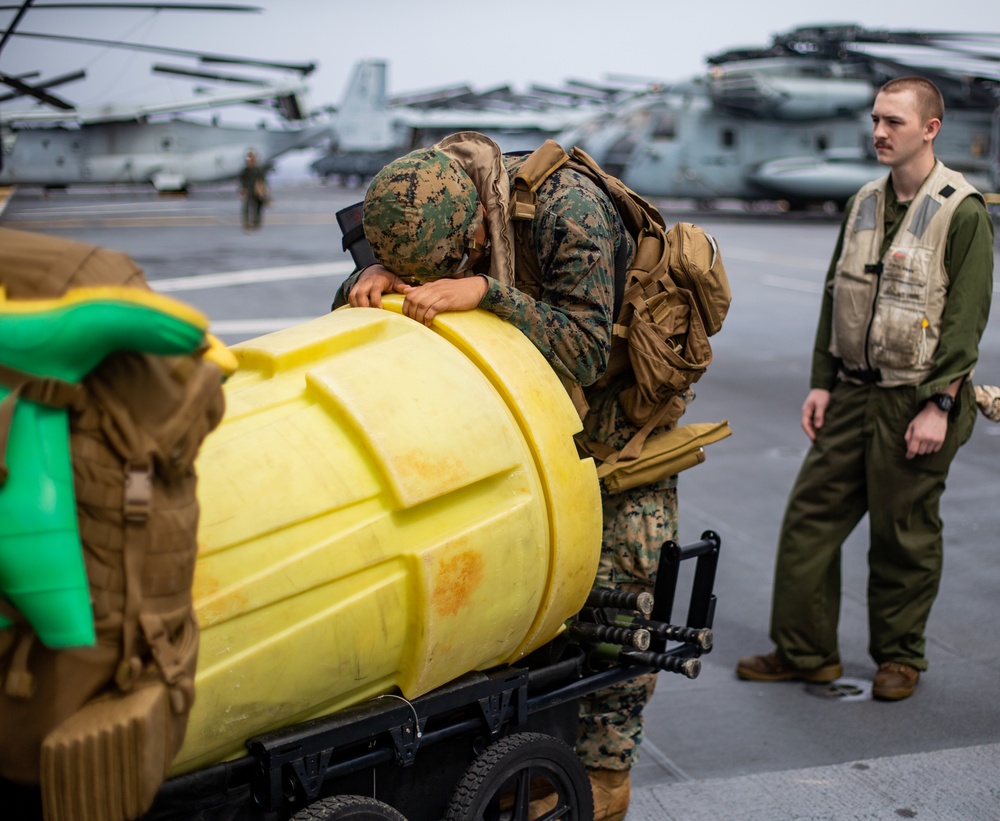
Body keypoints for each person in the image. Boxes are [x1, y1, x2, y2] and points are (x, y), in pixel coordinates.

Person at [334, 131, 688, 821]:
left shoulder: (567, 210)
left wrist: (486, 292)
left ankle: (604, 774)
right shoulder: (421, 195)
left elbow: (586, 350)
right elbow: (404, 273)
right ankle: (519, 746)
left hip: (614, 422)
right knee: (518, 591)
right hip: (520, 414)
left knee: (617, 594)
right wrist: (365, 279)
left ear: (472, 226)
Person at [737, 77, 994, 701]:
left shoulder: (962, 210)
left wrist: (941, 404)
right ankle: (806, 653)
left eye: (894, 122)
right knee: (809, 521)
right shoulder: (863, 203)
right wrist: (822, 384)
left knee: (902, 533)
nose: (879, 132)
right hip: (853, 392)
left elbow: (965, 320)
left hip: (917, 398)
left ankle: (900, 657)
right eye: (876, 120)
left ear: (930, 129)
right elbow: (835, 296)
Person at [238, 150, 269, 230]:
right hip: (248, 191)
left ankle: (256, 223)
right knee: (246, 207)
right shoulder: (245, 170)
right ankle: (246, 223)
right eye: (249, 158)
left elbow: (262, 181)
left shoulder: (258, 169)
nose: (251, 160)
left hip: (257, 191)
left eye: (252, 158)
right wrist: (242, 190)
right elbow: (242, 181)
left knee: (258, 208)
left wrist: (263, 192)